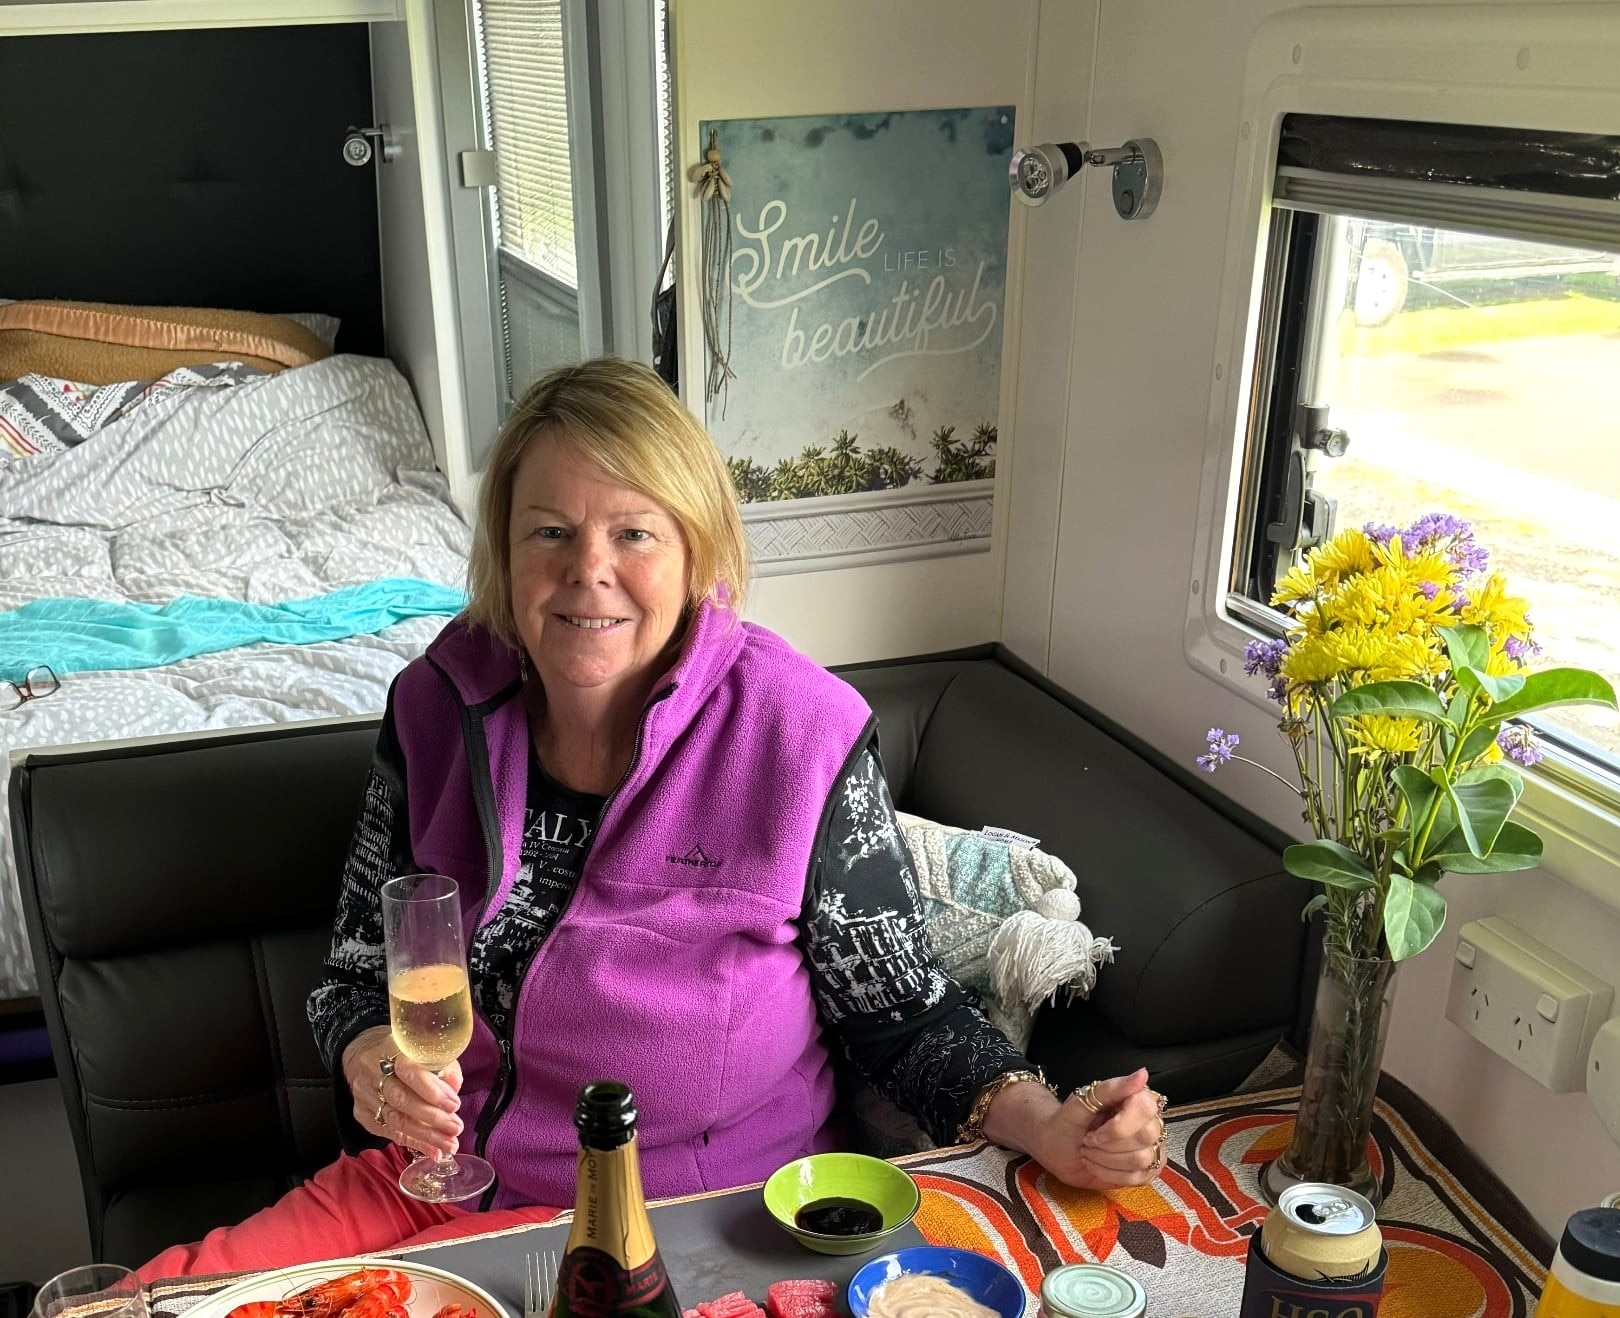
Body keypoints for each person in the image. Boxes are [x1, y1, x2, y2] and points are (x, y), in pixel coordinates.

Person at [139, 357, 1165, 1280]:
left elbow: (900, 1013)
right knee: (159, 1301)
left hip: (689, 1229)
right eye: (550, 531)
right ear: (504, 550)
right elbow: (358, 974)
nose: (589, 569)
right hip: (428, 1186)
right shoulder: (434, 708)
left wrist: (1050, 1123)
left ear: (696, 553)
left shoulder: (799, 735)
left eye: (634, 531)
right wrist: (370, 1060)